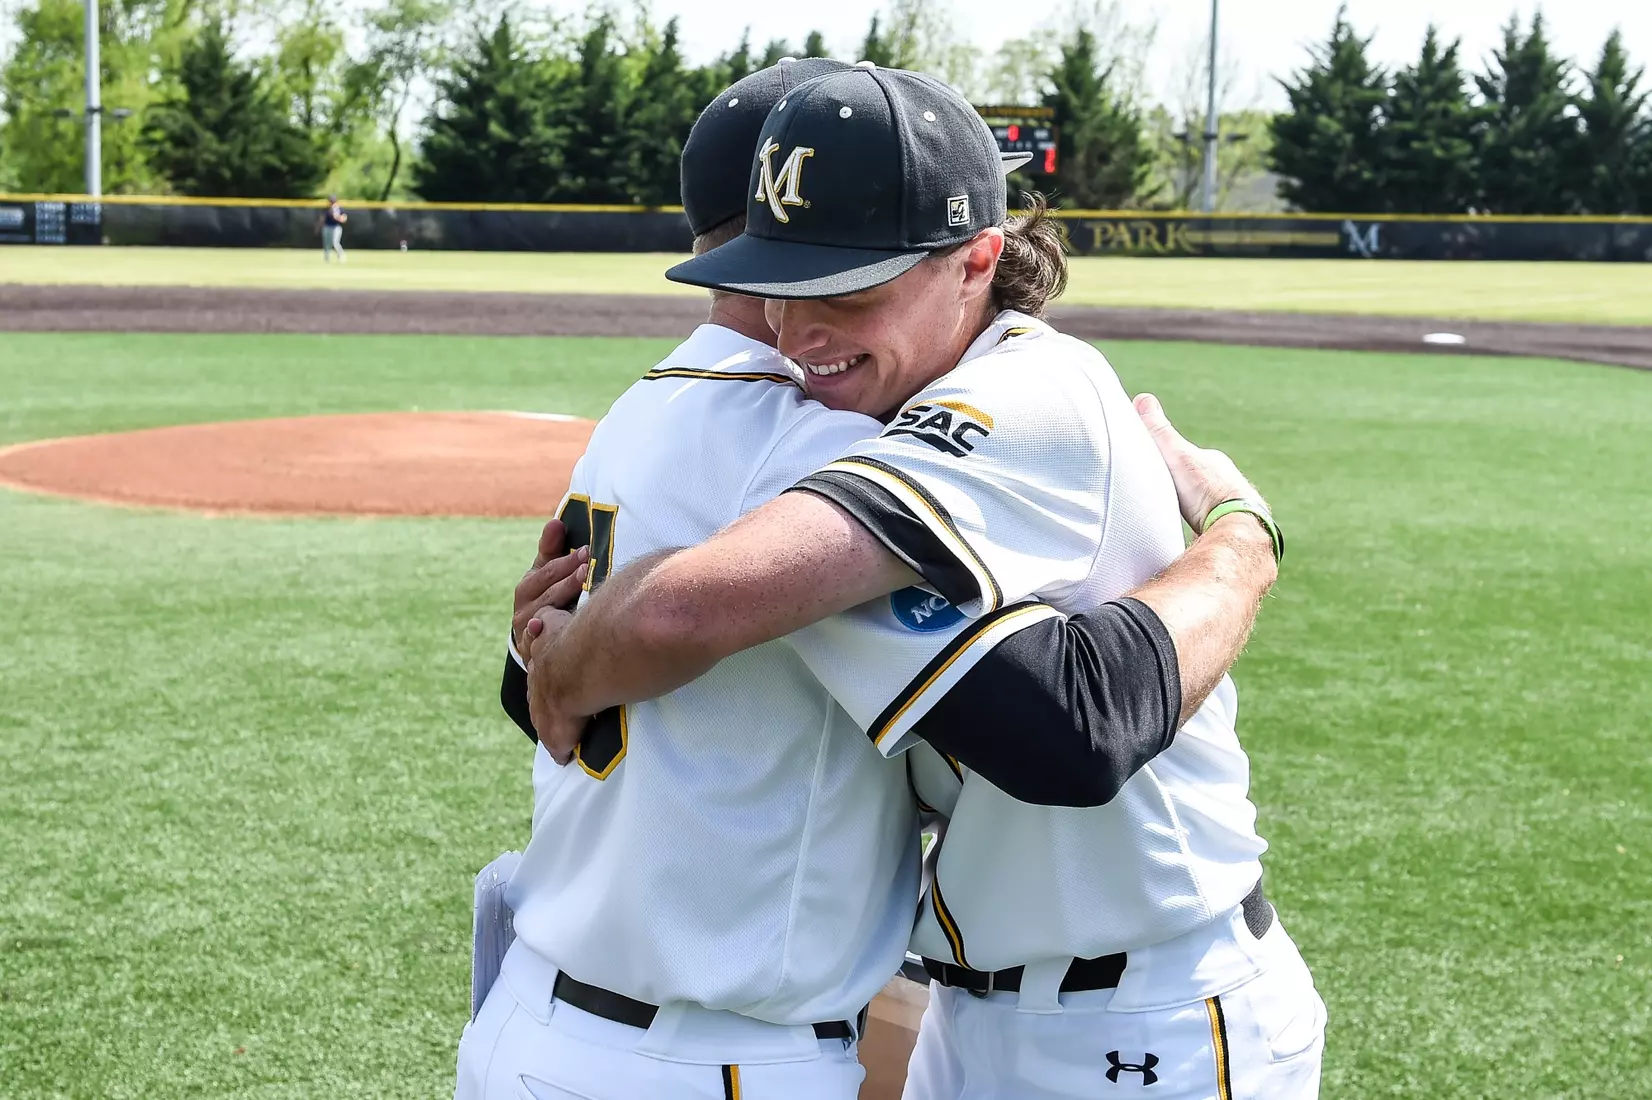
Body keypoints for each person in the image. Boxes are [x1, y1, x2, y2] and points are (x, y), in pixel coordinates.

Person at [461, 62, 1285, 1100]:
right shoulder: (821, 435)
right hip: (937, 1011)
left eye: (846, 288)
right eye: (786, 285)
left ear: (976, 258)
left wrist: (1243, 537)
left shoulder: (1011, 395)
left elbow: (1074, 725)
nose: (801, 335)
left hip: (1142, 1007)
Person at [319, 195, 347, 263]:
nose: (331, 202)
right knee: (327, 244)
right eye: (330, 201)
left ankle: (341, 256)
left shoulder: (339, 209)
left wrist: (337, 217)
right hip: (327, 227)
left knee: (335, 243)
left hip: (336, 227)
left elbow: (344, 218)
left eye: (333, 201)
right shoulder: (326, 209)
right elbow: (322, 219)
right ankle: (326, 259)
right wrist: (318, 227)